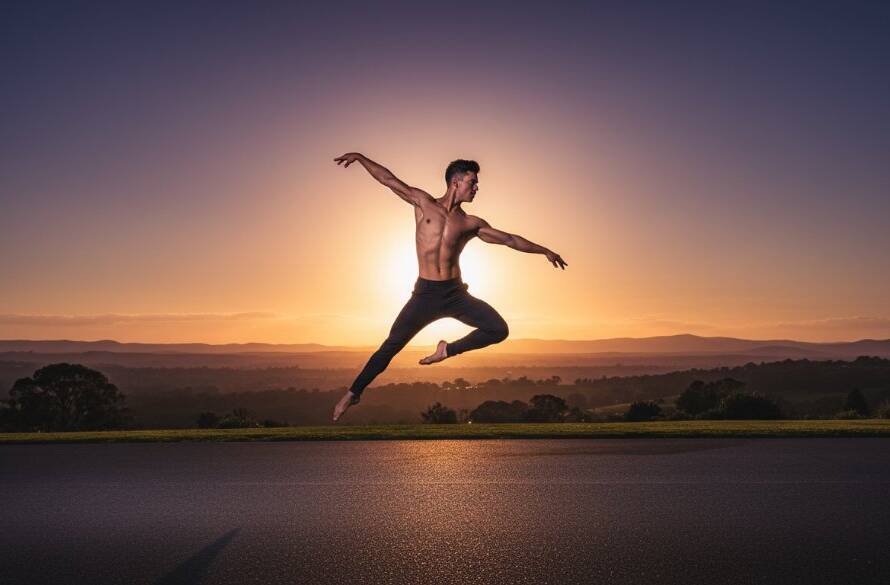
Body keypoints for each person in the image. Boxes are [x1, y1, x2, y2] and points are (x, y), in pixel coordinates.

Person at [331, 153, 567, 421]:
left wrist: (544, 250)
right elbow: (388, 180)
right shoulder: (422, 203)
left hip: (455, 295)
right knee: (391, 345)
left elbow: (510, 239)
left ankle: (447, 350)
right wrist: (361, 158)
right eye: (472, 182)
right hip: (425, 295)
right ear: (456, 182)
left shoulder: (471, 223)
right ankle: (353, 393)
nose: (476, 188)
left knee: (498, 329)